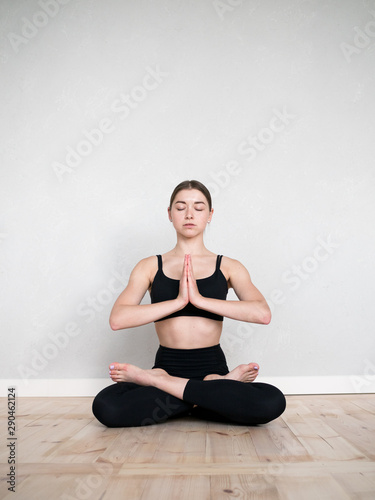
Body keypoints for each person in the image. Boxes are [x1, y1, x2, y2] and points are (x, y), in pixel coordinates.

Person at [92, 180, 286, 427]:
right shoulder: (149, 266)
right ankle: (213, 391)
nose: (190, 214)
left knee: (272, 401)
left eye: (199, 207)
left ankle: (157, 383)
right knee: (106, 406)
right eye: (181, 207)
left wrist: (200, 300)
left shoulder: (229, 267)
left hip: (211, 366)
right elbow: (118, 319)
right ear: (170, 214)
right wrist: (179, 301)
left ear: (210, 215)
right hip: (168, 366)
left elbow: (262, 314)